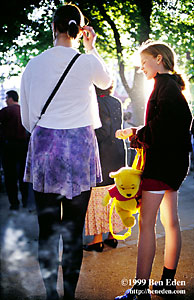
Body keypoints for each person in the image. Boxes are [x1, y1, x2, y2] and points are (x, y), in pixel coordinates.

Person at [20, 4, 111, 300]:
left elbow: (26, 118)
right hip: (80, 151)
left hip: (46, 147)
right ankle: (69, 295)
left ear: (54, 28)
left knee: (47, 229)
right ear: (79, 29)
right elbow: (107, 82)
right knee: (73, 231)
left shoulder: (34, 63)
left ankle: (51, 295)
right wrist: (91, 47)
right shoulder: (86, 62)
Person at [115, 41, 192, 300]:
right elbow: (169, 123)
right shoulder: (172, 86)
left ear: (159, 59)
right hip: (174, 166)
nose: (142, 68)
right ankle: (166, 284)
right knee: (171, 223)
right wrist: (137, 131)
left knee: (147, 225)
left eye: (144, 63)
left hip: (160, 165)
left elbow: (166, 126)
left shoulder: (164, 85)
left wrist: (137, 135)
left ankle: (139, 291)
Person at [84, 84, 126, 252]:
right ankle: (112, 235)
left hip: (102, 153)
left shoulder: (96, 103)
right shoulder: (116, 101)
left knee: (99, 194)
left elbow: (102, 132)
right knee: (115, 191)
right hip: (117, 151)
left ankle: (97, 239)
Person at [0, 90, 29, 210]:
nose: (5, 101)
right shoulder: (24, 111)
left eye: (6, 98)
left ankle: (14, 203)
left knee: (10, 176)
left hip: (9, 147)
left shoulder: (6, 111)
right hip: (24, 146)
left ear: (11, 98)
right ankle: (26, 201)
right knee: (24, 175)